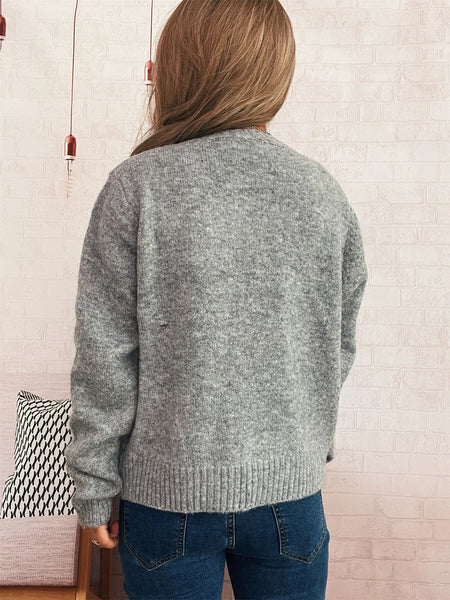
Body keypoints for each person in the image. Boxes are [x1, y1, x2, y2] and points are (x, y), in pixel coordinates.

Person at [64, 1, 368, 599]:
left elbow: (104, 354)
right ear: (274, 69)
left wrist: (95, 485)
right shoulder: (323, 195)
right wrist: (304, 444)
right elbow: (336, 344)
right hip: (289, 496)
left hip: (165, 498)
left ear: (180, 65)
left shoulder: (137, 186)